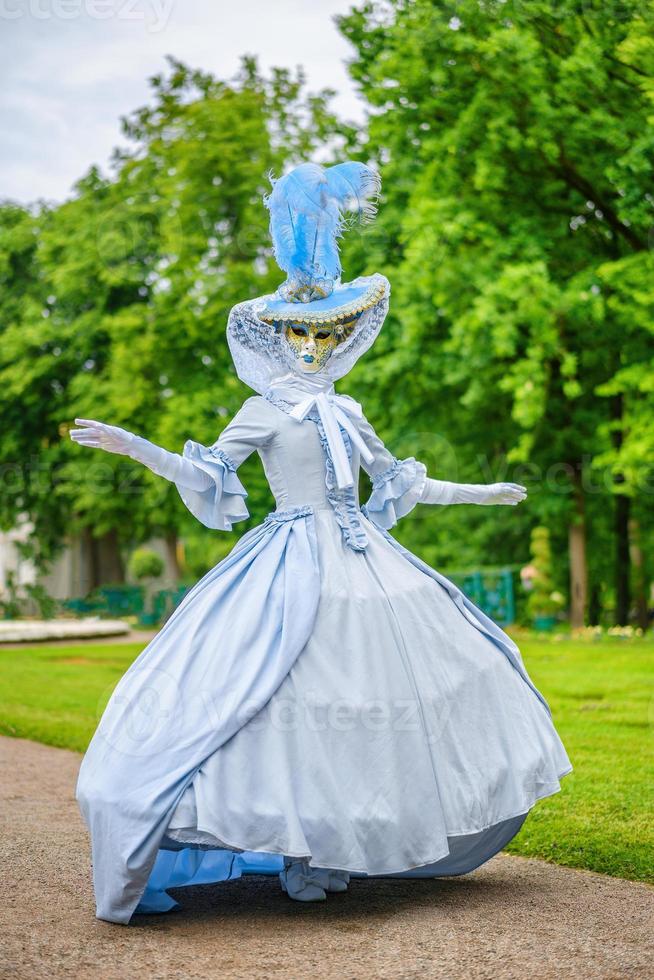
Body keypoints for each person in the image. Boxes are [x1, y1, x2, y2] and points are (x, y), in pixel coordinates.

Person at [71, 161, 571, 923]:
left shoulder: (349, 408)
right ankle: (298, 849)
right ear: (275, 338)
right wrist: (134, 445)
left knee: (369, 701)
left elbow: (398, 480)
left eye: (322, 332)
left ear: (338, 336)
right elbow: (204, 473)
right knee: (282, 696)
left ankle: (336, 847)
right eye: (296, 332)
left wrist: (483, 492)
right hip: (290, 564)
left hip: (365, 560)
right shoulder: (260, 411)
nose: (309, 343)